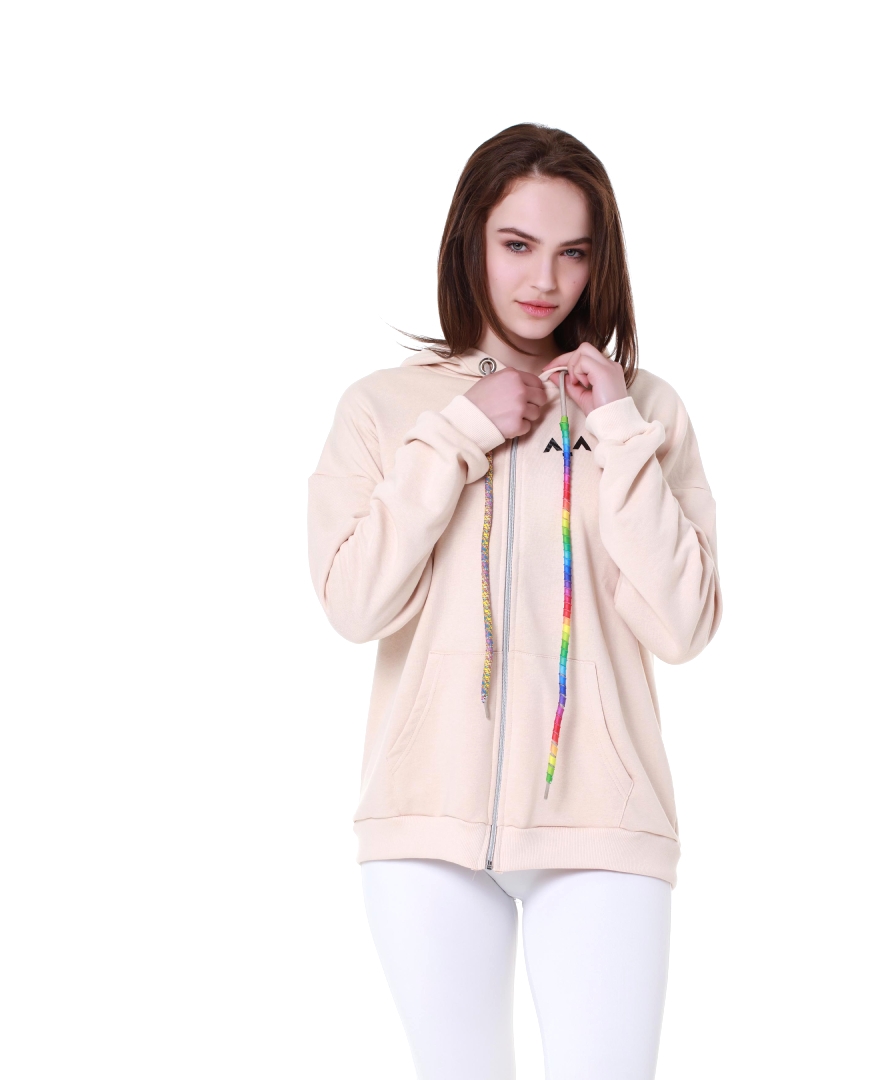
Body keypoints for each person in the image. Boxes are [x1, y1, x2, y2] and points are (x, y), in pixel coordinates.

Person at [307, 123, 723, 1080]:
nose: (545, 280)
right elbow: (355, 604)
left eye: (574, 252)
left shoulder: (645, 410)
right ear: (471, 241)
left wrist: (615, 428)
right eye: (518, 244)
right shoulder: (385, 408)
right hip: (424, 822)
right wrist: (459, 431)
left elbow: (685, 624)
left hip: (604, 824)